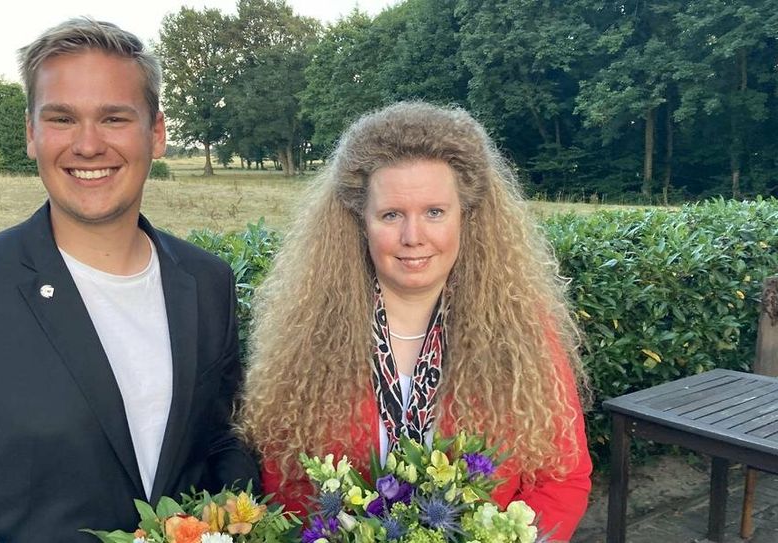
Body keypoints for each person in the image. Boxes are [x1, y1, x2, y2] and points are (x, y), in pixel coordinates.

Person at [0, 18, 258, 542]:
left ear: (155, 133)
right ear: (31, 134)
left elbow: (221, 445)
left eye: (114, 118)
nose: (88, 145)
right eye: (62, 119)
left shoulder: (207, 281)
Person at [239, 102, 592, 541]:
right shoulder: (308, 334)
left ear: (466, 216)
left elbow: (562, 478)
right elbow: (286, 483)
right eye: (391, 215)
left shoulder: (522, 332)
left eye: (434, 212)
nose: (413, 236)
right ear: (360, 221)